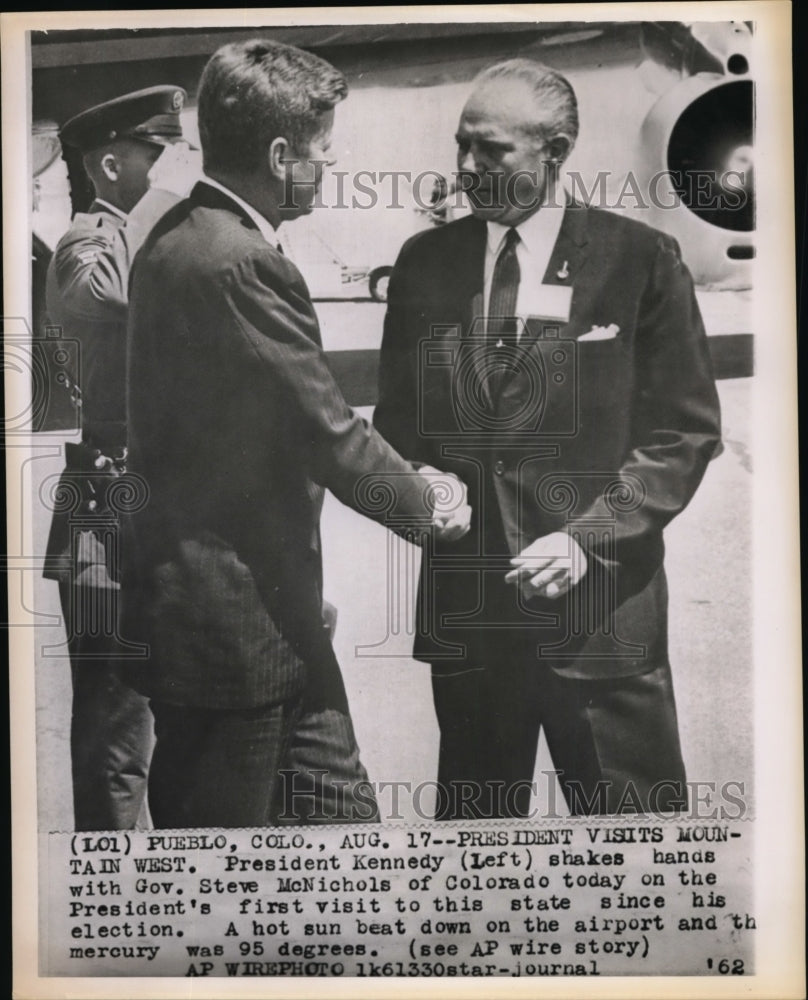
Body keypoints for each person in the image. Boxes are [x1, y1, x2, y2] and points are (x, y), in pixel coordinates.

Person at [122, 39, 470, 829]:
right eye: (324, 152)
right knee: (218, 887)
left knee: (347, 848)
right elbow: (324, 428)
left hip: (273, 625)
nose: (331, 169)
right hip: (229, 640)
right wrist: (430, 506)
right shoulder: (238, 262)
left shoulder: (184, 236)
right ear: (282, 155)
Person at [374, 59, 722, 819]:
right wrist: (424, 480)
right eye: (461, 145)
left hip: (601, 621)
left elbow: (683, 434)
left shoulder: (640, 261)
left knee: (642, 862)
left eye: (491, 150)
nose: (466, 167)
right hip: (472, 620)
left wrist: (587, 541)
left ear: (555, 151)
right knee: (477, 863)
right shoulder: (424, 264)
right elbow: (397, 422)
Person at [43, 86, 198, 830]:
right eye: (160, 154)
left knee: (182, 708)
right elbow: (100, 293)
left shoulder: (142, 238)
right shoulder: (85, 242)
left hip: (157, 498)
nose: (178, 168)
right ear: (111, 164)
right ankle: (109, 894)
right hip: (106, 508)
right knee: (116, 720)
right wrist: (161, 206)